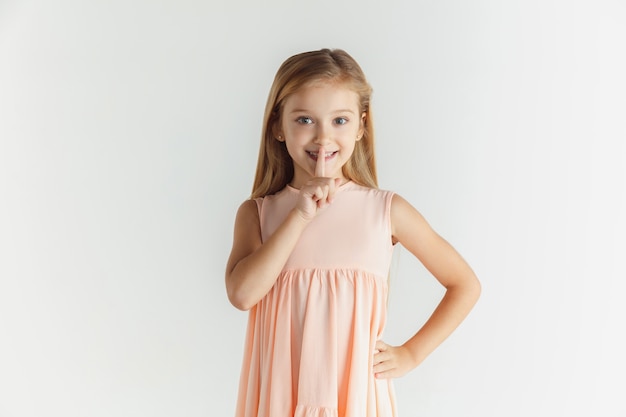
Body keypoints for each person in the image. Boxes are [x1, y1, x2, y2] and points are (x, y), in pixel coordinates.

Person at [225, 48, 481, 417]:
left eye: (340, 121)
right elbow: (243, 294)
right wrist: (299, 216)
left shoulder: (385, 211)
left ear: (361, 126)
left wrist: (411, 354)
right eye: (305, 120)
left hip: (356, 398)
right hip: (281, 397)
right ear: (278, 126)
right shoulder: (257, 214)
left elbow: (464, 284)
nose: (323, 137)